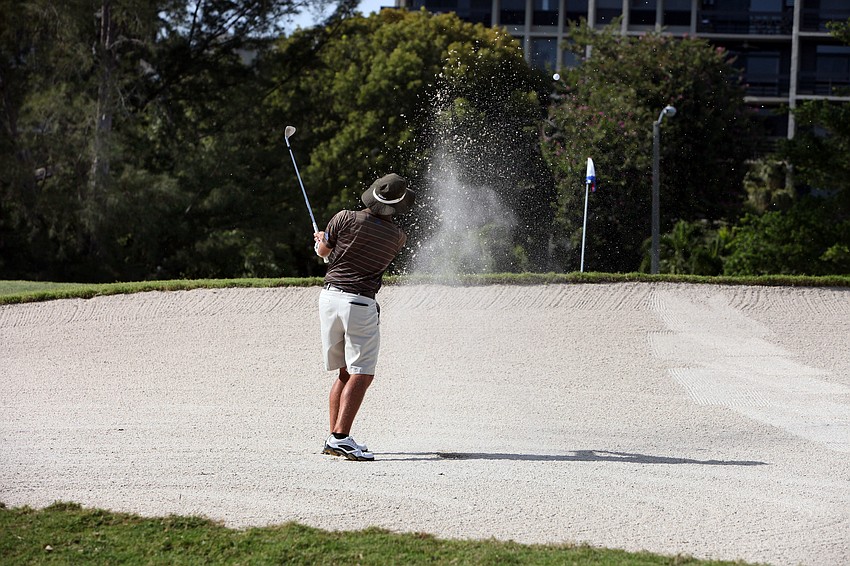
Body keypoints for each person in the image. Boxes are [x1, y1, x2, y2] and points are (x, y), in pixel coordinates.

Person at [313, 173, 415, 461]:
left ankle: (334, 436)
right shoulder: (397, 237)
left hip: (329, 299)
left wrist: (322, 240)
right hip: (359, 303)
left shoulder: (343, 217)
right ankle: (340, 438)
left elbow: (324, 252)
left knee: (346, 372)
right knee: (363, 372)